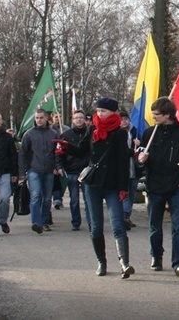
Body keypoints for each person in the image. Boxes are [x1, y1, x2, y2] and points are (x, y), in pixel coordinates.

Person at [61, 98, 134, 277]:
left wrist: (123, 188)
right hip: (92, 184)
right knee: (96, 226)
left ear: (113, 112)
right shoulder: (92, 128)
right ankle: (101, 262)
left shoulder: (119, 133)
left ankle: (124, 263)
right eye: (98, 110)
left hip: (112, 185)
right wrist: (66, 147)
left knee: (118, 224)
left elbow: (123, 163)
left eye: (104, 111)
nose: (100, 114)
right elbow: (81, 151)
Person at [138, 97, 179, 278]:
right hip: (154, 186)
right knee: (155, 226)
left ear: (167, 114)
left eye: (156, 114)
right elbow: (140, 155)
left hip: (176, 187)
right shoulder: (149, 133)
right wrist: (140, 161)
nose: (153, 117)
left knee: (178, 227)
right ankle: (156, 255)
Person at [19, 109, 60, 234]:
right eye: (37, 118)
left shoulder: (54, 133)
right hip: (33, 170)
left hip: (49, 170)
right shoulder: (29, 134)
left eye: (41, 117)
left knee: (47, 198)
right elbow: (22, 154)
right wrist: (22, 172)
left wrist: (57, 166)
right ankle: (36, 222)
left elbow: (58, 153)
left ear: (47, 118)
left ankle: (44, 221)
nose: (39, 120)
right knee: (36, 195)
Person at [55, 110, 92, 231]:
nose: (79, 120)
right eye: (76, 118)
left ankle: (92, 222)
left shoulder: (91, 133)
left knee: (89, 198)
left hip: (87, 170)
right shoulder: (66, 135)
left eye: (81, 117)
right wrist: (60, 166)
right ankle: (76, 222)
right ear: (73, 120)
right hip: (72, 170)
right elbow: (59, 153)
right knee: (74, 199)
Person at [119, 110, 140, 230]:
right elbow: (121, 151)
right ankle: (124, 215)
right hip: (123, 169)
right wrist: (132, 151)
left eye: (126, 119)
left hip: (134, 168)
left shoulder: (135, 132)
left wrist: (139, 143)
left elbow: (143, 148)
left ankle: (127, 216)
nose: (124, 122)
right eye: (121, 120)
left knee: (132, 194)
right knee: (125, 194)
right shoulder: (117, 133)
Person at [50, 111, 70, 210]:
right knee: (56, 180)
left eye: (60, 116)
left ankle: (59, 197)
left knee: (63, 180)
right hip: (55, 156)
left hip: (65, 157)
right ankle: (57, 199)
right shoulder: (51, 130)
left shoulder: (66, 129)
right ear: (52, 118)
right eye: (56, 117)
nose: (58, 118)